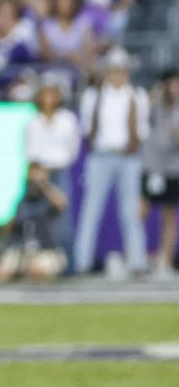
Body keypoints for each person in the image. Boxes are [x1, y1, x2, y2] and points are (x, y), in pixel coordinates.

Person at [74, 47, 149, 276]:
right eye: (114, 70)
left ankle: (137, 263)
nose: (118, 75)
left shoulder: (137, 95)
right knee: (91, 210)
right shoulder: (93, 96)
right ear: (107, 71)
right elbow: (87, 128)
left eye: (122, 70)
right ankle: (82, 263)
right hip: (101, 156)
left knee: (130, 212)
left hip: (128, 157)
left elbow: (142, 130)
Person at [23, 73, 82, 270]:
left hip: (58, 172)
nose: (48, 98)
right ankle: (34, 262)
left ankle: (70, 267)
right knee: (33, 217)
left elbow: (72, 149)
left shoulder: (67, 120)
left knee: (63, 222)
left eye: (52, 94)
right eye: (45, 94)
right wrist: (38, 175)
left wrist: (52, 170)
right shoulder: (33, 121)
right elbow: (29, 152)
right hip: (37, 173)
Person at [0, 163, 70, 283]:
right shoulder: (23, 202)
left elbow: (61, 204)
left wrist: (44, 185)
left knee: (36, 270)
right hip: (22, 250)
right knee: (0, 272)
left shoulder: (48, 201)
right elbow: (6, 229)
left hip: (46, 251)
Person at [141, 69, 179, 276]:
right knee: (141, 212)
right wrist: (157, 91)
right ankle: (137, 256)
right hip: (152, 166)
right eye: (172, 84)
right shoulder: (155, 105)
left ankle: (165, 259)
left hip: (173, 168)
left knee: (169, 215)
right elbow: (140, 110)